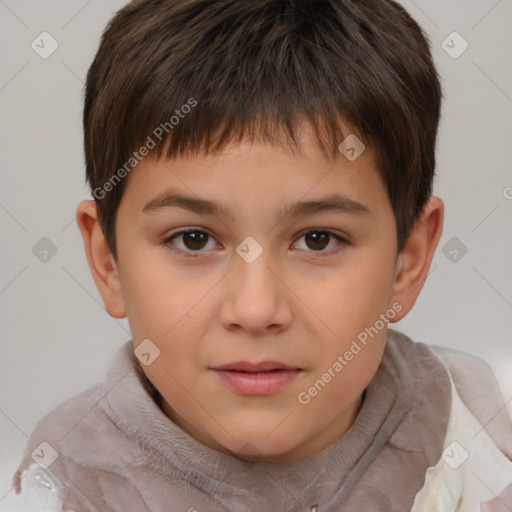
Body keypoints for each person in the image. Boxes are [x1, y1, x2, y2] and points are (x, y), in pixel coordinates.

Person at [7, 0, 512, 510]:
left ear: (408, 259)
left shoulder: (480, 429)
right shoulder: (65, 486)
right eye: (194, 239)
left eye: (318, 239)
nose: (255, 310)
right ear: (108, 261)